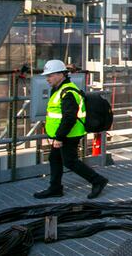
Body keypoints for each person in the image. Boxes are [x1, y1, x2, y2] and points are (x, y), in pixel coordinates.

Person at [33, 60, 109, 199]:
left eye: (50, 75)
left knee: (70, 161)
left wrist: (59, 138)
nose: (47, 79)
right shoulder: (58, 89)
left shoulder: (67, 92)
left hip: (68, 134)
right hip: (63, 134)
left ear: (61, 74)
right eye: (47, 76)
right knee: (54, 158)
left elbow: (69, 118)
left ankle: (98, 180)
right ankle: (55, 188)